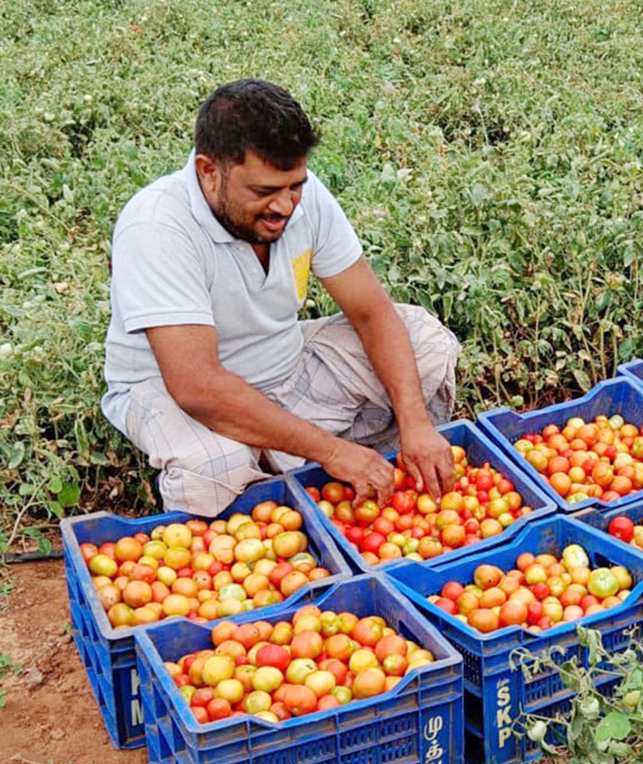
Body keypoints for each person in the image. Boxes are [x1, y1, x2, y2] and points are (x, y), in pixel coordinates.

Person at [102, 80, 459, 515]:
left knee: (425, 343)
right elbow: (198, 387)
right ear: (208, 172)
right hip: (172, 390)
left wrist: (416, 425)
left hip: (283, 366)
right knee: (214, 469)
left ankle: (353, 479)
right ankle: (299, 468)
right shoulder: (157, 227)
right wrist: (331, 451)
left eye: (295, 186)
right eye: (263, 193)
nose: (285, 207)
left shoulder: (301, 196)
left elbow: (372, 313)